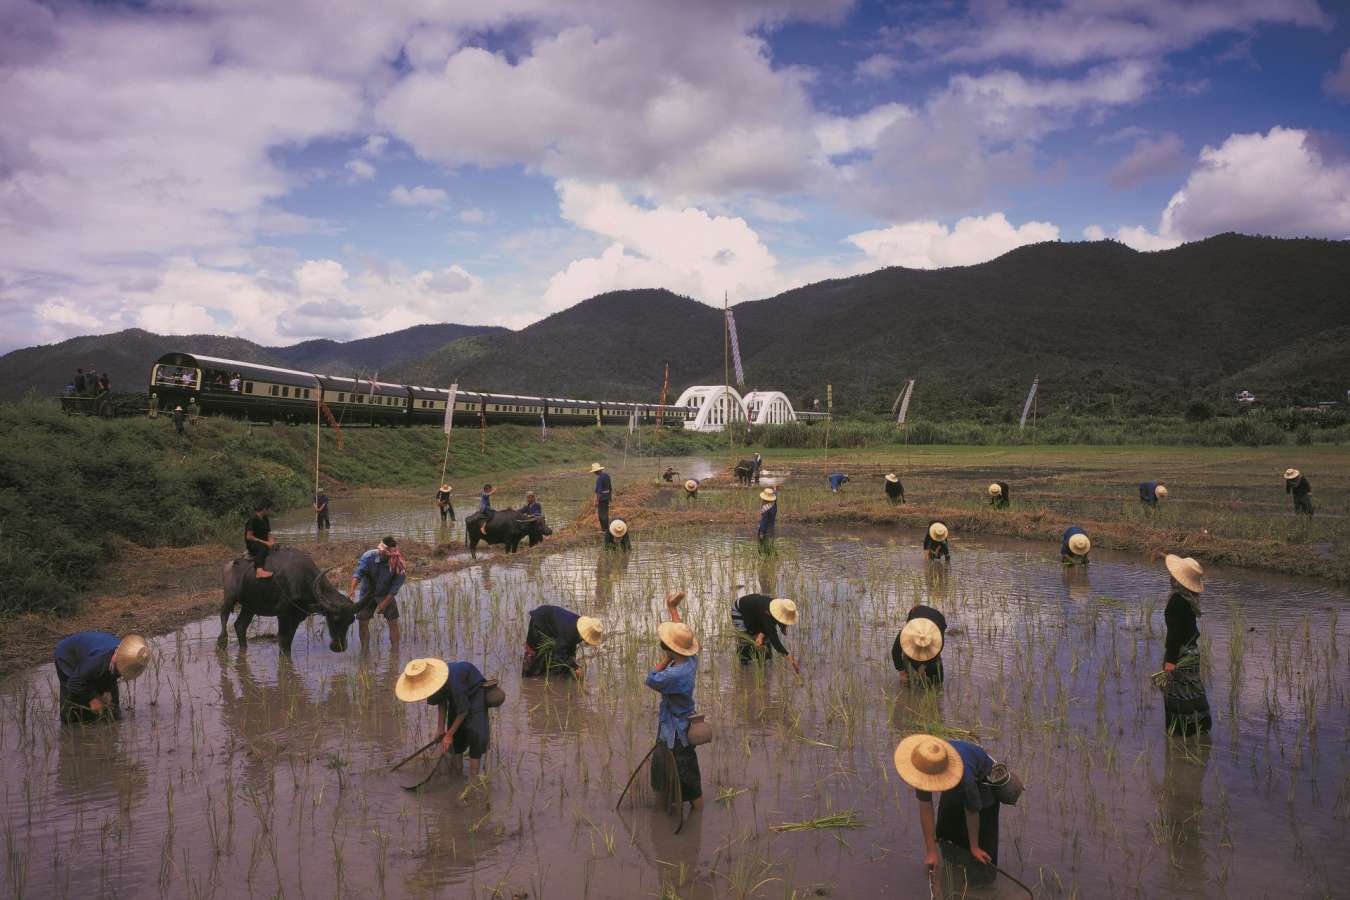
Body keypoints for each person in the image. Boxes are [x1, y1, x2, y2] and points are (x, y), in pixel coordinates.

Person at [895, 734, 1000, 881]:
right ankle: (951, 877)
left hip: (983, 782)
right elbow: (926, 807)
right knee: (946, 834)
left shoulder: (966, 778)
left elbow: (972, 811)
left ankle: (981, 884)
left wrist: (974, 847)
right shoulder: (925, 763)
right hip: (955, 776)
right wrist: (931, 852)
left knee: (982, 850)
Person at [645, 591, 703, 813]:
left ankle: (661, 818)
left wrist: (666, 657)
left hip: (675, 734)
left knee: (674, 777)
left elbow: (650, 678)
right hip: (681, 727)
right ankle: (695, 819)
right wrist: (672, 609)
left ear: (671, 650)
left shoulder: (672, 675)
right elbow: (684, 637)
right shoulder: (690, 661)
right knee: (689, 779)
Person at [396, 658, 490, 778]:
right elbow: (441, 701)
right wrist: (440, 728)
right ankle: (457, 773)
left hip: (474, 691)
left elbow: (463, 711)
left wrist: (449, 734)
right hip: (455, 694)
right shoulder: (431, 686)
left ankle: (474, 778)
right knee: (456, 737)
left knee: (475, 733)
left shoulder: (453, 681)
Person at [1160, 554, 1212, 736]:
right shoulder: (1190, 598)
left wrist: (1170, 662)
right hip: (1192, 652)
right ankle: (1200, 730)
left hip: (1181, 654)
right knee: (1193, 690)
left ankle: (1180, 733)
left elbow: (1175, 635)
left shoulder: (1176, 601)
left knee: (1176, 693)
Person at [54, 632, 150, 723]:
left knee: (112, 707)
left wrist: (107, 690)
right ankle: (71, 728)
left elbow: (111, 675)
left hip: (92, 657)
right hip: (68, 656)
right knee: (73, 701)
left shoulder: (126, 653)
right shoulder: (97, 662)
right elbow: (73, 683)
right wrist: (92, 699)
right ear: (118, 658)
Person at [350, 537, 407, 649]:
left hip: (386, 594)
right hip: (367, 593)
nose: (384, 556)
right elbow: (358, 573)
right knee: (363, 621)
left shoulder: (399, 564)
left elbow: (395, 588)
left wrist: (384, 603)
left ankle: (395, 653)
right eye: (382, 553)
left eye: (388, 555)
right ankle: (365, 650)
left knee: (393, 622)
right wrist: (352, 589)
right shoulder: (368, 557)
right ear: (380, 550)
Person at [521, 604, 604, 678]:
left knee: (558, 659)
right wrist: (575, 667)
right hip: (539, 620)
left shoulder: (579, 627)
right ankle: (527, 681)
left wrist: (572, 663)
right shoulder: (570, 632)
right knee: (532, 653)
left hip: (551, 620)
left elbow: (570, 646)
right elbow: (559, 652)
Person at [730, 593, 800, 674]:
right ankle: (744, 667)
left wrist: (781, 627)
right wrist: (789, 658)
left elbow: (773, 620)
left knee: (764, 641)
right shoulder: (768, 612)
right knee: (745, 639)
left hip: (757, 612)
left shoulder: (775, 609)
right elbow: (774, 639)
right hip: (740, 611)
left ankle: (764, 658)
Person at [891, 605, 946, 685]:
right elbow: (895, 651)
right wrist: (902, 672)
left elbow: (937, 651)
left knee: (937, 682)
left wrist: (923, 666)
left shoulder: (937, 636)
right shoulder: (906, 633)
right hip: (916, 610)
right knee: (909, 678)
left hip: (938, 618)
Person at [245, 500, 274, 579]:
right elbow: (249, 536)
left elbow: (268, 533)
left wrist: (271, 542)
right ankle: (259, 570)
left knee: (276, 547)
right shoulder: (253, 519)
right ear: (265, 509)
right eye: (270, 509)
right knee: (262, 549)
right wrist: (265, 543)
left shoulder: (265, 518)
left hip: (264, 541)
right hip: (254, 543)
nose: (271, 511)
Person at [592, 462, 612, 536]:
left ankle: (605, 530)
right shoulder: (607, 476)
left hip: (602, 498)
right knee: (605, 513)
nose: (594, 473)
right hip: (607, 497)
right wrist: (610, 497)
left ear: (596, 471)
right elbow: (610, 487)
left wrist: (596, 501)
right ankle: (606, 529)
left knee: (601, 515)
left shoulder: (599, 479)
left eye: (594, 472)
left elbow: (598, 491)